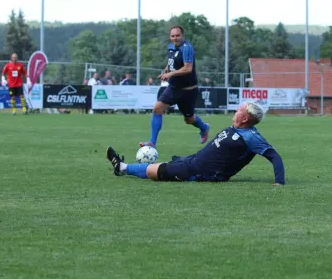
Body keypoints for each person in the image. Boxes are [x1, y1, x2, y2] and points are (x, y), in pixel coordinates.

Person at [108, 102, 285, 185]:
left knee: (155, 170)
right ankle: (123, 167)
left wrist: (279, 182)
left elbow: (274, 156)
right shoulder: (237, 129)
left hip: (200, 172)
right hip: (194, 161)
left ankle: (122, 167)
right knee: (159, 167)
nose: (236, 110)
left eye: (239, 109)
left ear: (245, 117)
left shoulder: (251, 137)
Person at [140, 26, 210, 148]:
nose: (175, 38)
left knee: (189, 119)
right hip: (173, 88)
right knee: (157, 108)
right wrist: (166, 69)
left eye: (177, 35)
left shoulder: (187, 48)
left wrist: (170, 74)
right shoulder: (171, 47)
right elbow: (172, 61)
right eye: (172, 36)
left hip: (188, 91)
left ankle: (204, 128)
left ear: (183, 36)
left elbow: (188, 68)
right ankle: (152, 143)